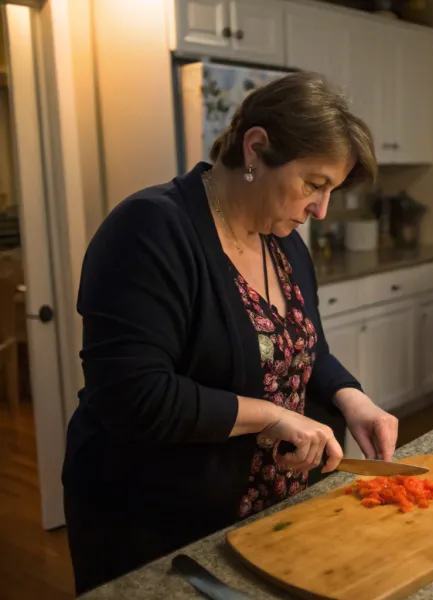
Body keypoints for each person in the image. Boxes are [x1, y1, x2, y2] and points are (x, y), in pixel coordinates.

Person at [61, 72, 399, 594]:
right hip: (158, 526)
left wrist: (352, 399)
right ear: (256, 148)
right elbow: (133, 397)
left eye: (330, 190)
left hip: (265, 518)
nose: (321, 209)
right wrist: (273, 415)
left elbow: (304, 347)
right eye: (314, 184)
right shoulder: (150, 230)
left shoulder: (282, 241)